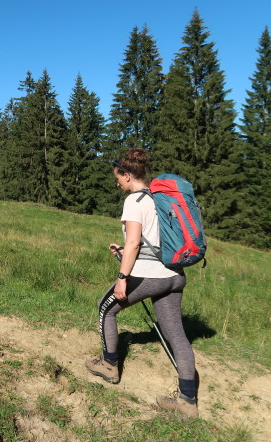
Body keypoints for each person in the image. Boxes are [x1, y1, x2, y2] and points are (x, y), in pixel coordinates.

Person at [85, 148, 199, 418]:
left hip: (150, 276)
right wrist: (124, 251)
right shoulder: (159, 199)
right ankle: (187, 400)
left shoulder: (135, 201)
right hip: (174, 274)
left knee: (106, 308)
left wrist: (122, 278)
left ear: (127, 175)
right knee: (175, 332)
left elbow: (136, 241)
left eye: (118, 177)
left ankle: (109, 365)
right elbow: (152, 243)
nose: (117, 183)